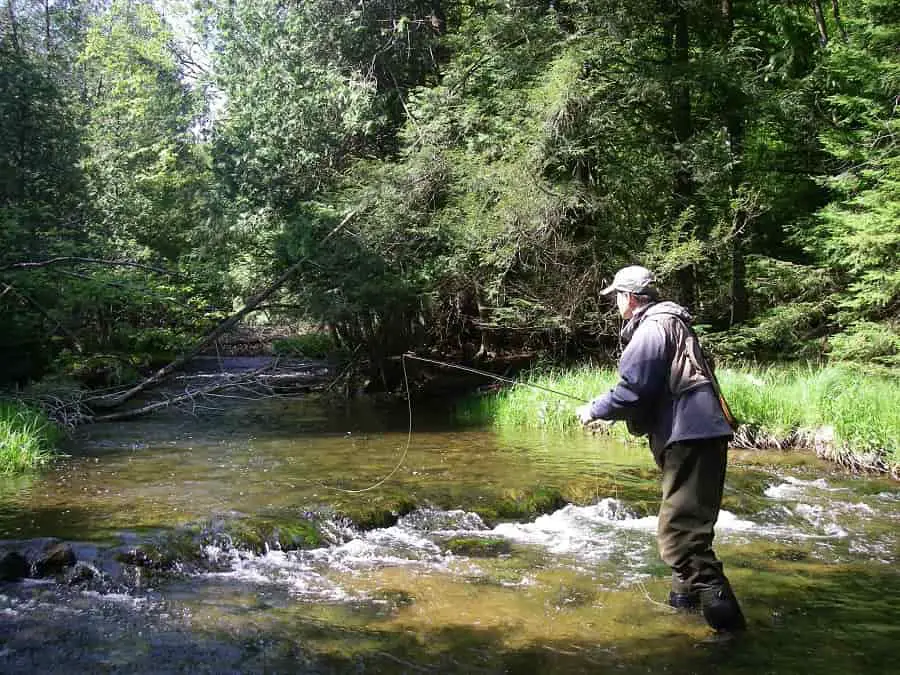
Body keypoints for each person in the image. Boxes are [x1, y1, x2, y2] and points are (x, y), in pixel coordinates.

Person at [575, 265, 746, 636]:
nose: (616, 303)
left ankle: (732, 637)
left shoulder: (652, 329)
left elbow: (632, 390)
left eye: (617, 297)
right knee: (689, 531)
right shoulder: (673, 324)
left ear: (630, 298)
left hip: (690, 437)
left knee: (681, 540)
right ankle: (682, 609)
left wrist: (593, 410)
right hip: (699, 435)